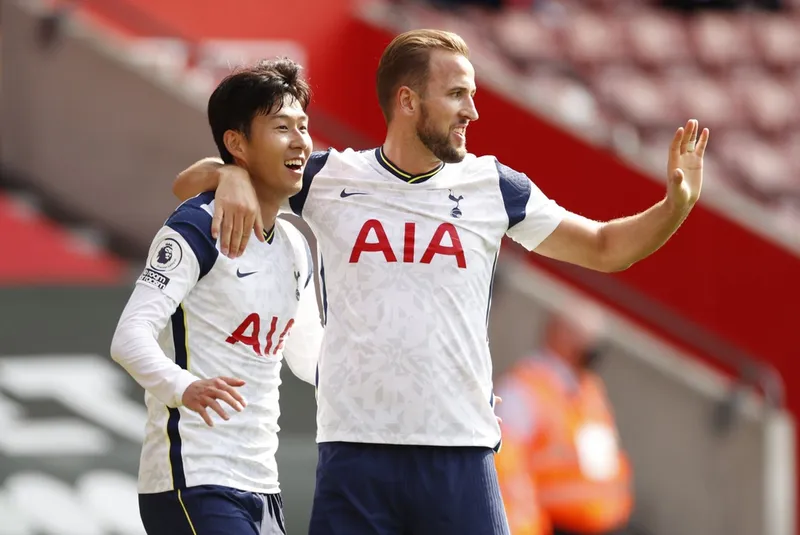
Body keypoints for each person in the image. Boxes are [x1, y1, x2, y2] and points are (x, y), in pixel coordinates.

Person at [171, 29, 709, 535]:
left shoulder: (494, 187)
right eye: (456, 94)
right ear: (408, 101)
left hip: (460, 453)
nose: (472, 111)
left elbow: (604, 248)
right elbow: (188, 181)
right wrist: (233, 174)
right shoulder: (328, 177)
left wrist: (675, 206)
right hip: (356, 453)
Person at [110, 58, 323, 535]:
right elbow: (129, 337)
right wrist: (184, 387)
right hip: (192, 477)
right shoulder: (195, 226)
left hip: (262, 484)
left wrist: (408, 377)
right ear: (236, 142)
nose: (299, 141)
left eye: (304, 127)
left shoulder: (293, 244)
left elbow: (310, 358)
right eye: (281, 126)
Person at [495, 307, 633, 535]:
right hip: (551, 524)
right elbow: (507, 469)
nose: (593, 345)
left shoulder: (590, 391)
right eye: (583, 333)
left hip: (607, 525)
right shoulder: (524, 389)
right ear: (557, 332)